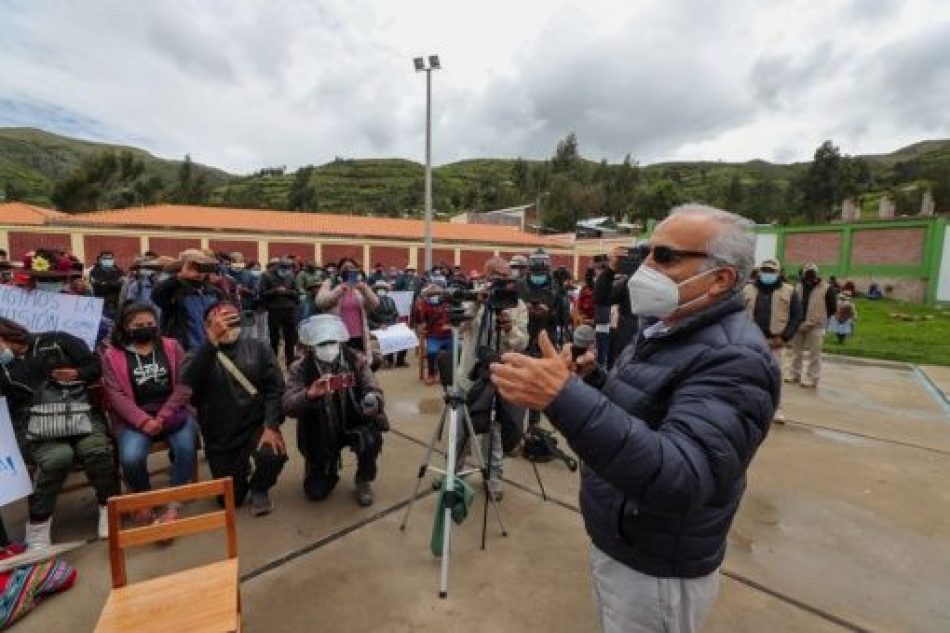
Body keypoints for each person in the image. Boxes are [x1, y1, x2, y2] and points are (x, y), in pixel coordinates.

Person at [490, 205, 778, 633]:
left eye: (665, 256)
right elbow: (642, 410)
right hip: (623, 540)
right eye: (645, 253)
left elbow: (682, 476)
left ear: (721, 279)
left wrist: (563, 397)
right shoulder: (666, 328)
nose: (644, 268)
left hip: (657, 567)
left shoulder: (737, 359)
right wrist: (590, 381)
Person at [0, 318, 119, 548]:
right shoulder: (4, 366)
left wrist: (77, 373)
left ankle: (108, 508)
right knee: (57, 457)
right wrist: (9, 364)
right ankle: (39, 524)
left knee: (94, 450)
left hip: (78, 412)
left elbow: (95, 367)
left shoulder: (57, 340)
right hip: (35, 425)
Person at [181, 301, 287, 515]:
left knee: (272, 455)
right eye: (219, 320)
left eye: (231, 318)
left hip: (255, 425)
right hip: (220, 433)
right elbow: (188, 388)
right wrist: (211, 342)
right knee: (230, 500)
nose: (226, 324)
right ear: (207, 325)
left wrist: (270, 425)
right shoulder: (196, 355)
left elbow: (275, 389)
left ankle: (259, 488)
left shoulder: (259, 347)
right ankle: (239, 472)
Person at [101, 302, 198, 526]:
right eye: (138, 325)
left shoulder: (172, 346)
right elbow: (115, 395)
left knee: (185, 448)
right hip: (133, 417)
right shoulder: (111, 355)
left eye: (150, 323)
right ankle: (145, 498)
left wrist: (162, 416)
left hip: (173, 412)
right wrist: (143, 420)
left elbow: (185, 385)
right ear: (125, 327)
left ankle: (173, 503)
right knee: (131, 458)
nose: (145, 327)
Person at [283, 315, 388, 506]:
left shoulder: (356, 360)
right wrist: (309, 395)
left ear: (340, 340)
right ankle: (322, 467)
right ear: (311, 346)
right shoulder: (299, 368)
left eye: (332, 341)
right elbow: (288, 405)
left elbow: (373, 386)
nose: (328, 346)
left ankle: (363, 479)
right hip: (320, 429)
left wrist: (373, 400)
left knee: (371, 437)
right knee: (315, 493)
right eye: (322, 343)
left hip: (353, 419)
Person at [457, 257, 529, 501]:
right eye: (495, 276)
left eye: (505, 276)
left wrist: (509, 328)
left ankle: (494, 478)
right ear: (485, 276)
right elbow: (459, 327)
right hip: (469, 374)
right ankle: (455, 473)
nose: (501, 281)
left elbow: (522, 343)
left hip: (499, 376)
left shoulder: (517, 305)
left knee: (494, 431)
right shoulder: (473, 297)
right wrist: (477, 305)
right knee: (462, 428)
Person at [743, 258, 802, 423]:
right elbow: (738, 313)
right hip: (751, 341)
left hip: (776, 342)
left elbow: (796, 317)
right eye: (765, 271)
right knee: (749, 375)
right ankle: (748, 408)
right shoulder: (747, 290)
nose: (767, 274)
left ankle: (777, 409)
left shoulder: (789, 291)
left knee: (775, 377)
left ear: (778, 273)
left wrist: (784, 337)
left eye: (771, 271)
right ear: (759, 272)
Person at [151, 250, 225, 352]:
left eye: (201, 267)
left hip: (212, 349)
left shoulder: (214, 292)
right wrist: (180, 276)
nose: (198, 272)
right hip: (184, 350)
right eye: (192, 267)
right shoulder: (174, 291)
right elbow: (157, 296)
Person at [315, 258, 380, 355]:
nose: (349, 270)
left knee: (359, 366)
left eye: (352, 267)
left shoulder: (361, 286)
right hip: (337, 335)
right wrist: (339, 289)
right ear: (339, 270)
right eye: (345, 267)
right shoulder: (330, 283)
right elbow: (320, 302)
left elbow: (375, 304)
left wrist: (364, 289)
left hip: (358, 336)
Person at [787, 263, 836, 388]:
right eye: (807, 273)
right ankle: (794, 374)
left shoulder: (826, 288)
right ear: (803, 274)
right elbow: (792, 305)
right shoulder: (797, 287)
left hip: (816, 326)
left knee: (815, 353)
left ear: (816, 274)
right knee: (796, 352)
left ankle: (812, 378)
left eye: (812, 273)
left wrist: (820, 317)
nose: (809, 276)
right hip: (799, 324)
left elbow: (832, 308)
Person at [259, 257, 300, 367]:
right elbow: (262, 294)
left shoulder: (291, 276)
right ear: (277, 266)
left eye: (288, 268)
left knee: (290, 339)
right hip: (274, 310)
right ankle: (273, 363)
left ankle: (290, 363)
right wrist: (275, 291)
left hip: (289, 310)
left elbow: (297, 293)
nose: (285, 270)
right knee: (274, 339)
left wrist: (287, 292)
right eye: (283, 268)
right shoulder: (266, 276)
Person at [417, 283, 453, 385]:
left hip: (448, 336)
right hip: (434, 336)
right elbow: (421, 319)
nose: (434, 296)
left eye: (437, 294)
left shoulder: (447, 304)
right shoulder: (424, 304)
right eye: (431, 294)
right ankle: (431, 374)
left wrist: (450, 325)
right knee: (432, 352)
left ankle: (449, 375)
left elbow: (453, 319)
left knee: (455, 352)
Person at [368, 280, 407, 368]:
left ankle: (400, 360)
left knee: (405, 336)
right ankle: (390, 361)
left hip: (391, 325)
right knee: (388, 337)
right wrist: (378, 326)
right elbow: (367, 319)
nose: (381, 290)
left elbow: (396, 314)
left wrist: (395, 323)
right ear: (375, 290)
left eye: (383, 289)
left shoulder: (391, 300)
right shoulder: (370, 302)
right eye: (379, 289)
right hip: (378, 327)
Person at [89, 250, 124, 319]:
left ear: (113, 259)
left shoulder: (119, 271)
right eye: (105, 258)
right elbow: (98, 287)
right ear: (100, 259)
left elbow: (122, 285)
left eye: (110, 258)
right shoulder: (94, 272)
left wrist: (105, 283)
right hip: (101, 303)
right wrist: (115, 283)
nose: (107, 260)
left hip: (116, 303)